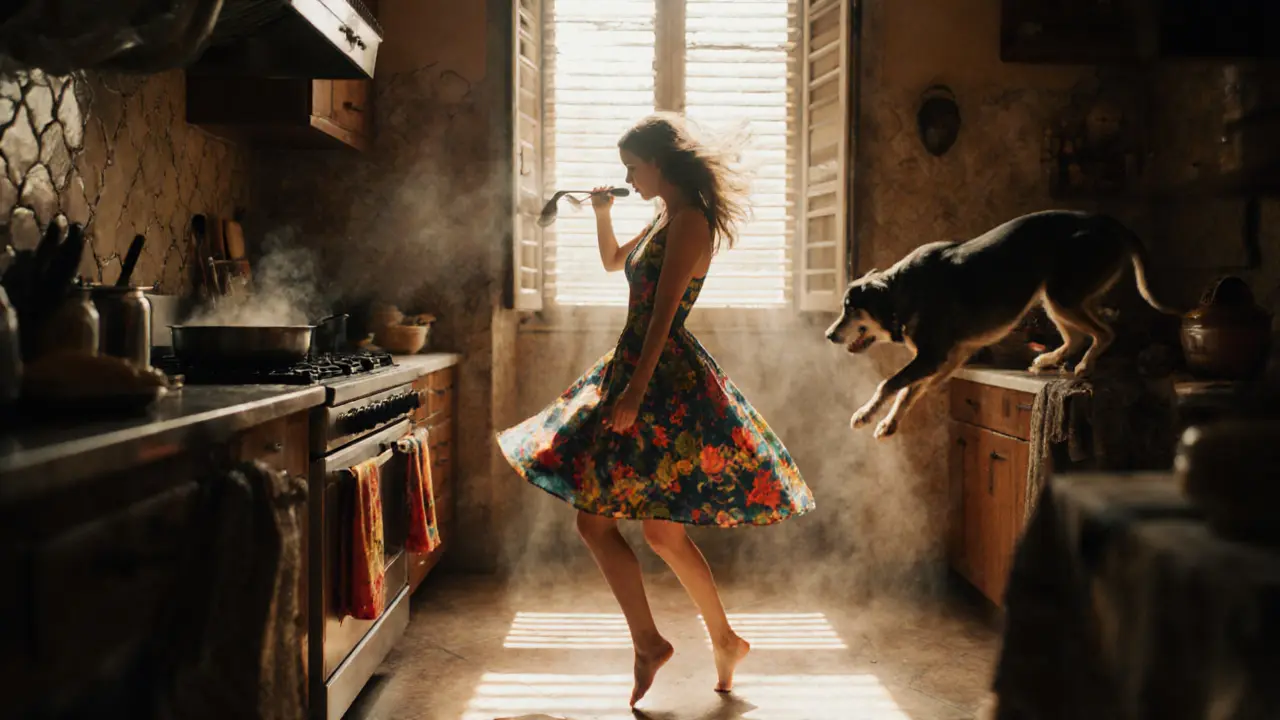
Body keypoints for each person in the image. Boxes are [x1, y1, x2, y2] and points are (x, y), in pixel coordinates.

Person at [496, 113, 815, 707]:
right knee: (658, 533)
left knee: (606, 524)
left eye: (633, 168)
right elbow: (616, 264)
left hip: (660, 378)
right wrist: (601, 214)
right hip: (638, 367)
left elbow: (665, 312)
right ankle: (723, 640)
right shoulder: (665, 215)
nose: (628, 178)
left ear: (659, 163)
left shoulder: (691, 221)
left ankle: (651, 643)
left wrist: (637, 391)